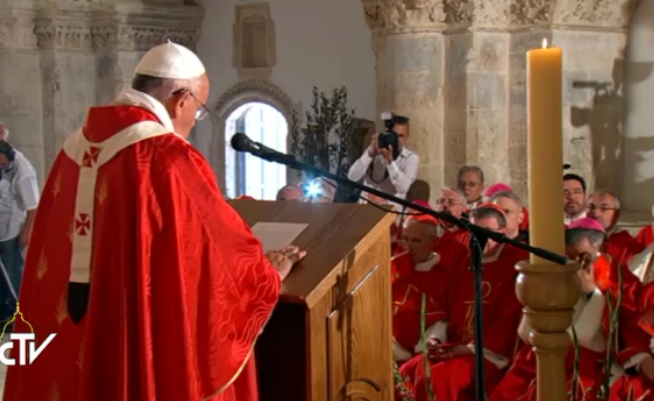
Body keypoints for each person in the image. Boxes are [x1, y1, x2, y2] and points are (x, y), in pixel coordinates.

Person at [4, 41, 306, 401]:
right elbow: (217, 246)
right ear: (181, 99)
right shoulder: (169, 157)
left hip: (78, 332)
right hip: (133, 331)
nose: (194, 121)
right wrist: (267, 272)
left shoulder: (72, 151)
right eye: (199, 109)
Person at [490, 218, 645, 401]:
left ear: (602, 250)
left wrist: (592, 294)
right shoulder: (557, 272)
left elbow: (606, 335)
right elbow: (526, 331)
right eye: (571, 257)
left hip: (591, 360)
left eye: (585, 257)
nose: (578, 265)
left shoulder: (621, 279)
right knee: (515, 385)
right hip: (546, 352)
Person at [398, 204, 529, 401]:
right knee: (408, 370)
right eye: (475, 232)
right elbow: (448, 307)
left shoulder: (516, 263)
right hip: (455, 347)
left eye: (488, 233)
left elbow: (508, 321)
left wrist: (469, 348)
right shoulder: (464, 261)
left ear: (503, 232)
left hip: (488, 353)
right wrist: (436, 341)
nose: (481, 240)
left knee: (436, 380)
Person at [392, 215, 458, 364]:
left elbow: (442, 320)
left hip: (420, 350)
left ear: (434, 241)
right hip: (387, 343)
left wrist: (434, 340)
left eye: (416, 241)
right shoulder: (393, 267)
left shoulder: (444, 274)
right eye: (405, 239)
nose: (408, 247)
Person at [0, 134, 40, 322]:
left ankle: (18, 315)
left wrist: (27, 232)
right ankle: (4, 312)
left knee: (12, 271)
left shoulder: (21, 169)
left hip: (12, 229)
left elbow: (33, 207)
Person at [347, 114, 419, 203]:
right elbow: (352, 177)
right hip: (364, 208)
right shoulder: (375, 150)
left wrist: (390, 163)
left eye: (400, 136)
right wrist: (369, 155)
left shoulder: (411, 158)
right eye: (394, 135)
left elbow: (403, 187)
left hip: (389, 210)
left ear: (407, 137)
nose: (397, 140)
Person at [587, 190, 643, 264]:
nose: (596, 214)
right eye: (591, 207)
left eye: (604, 208)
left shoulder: (629, 247)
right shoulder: (574, 238)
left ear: (616, 214)